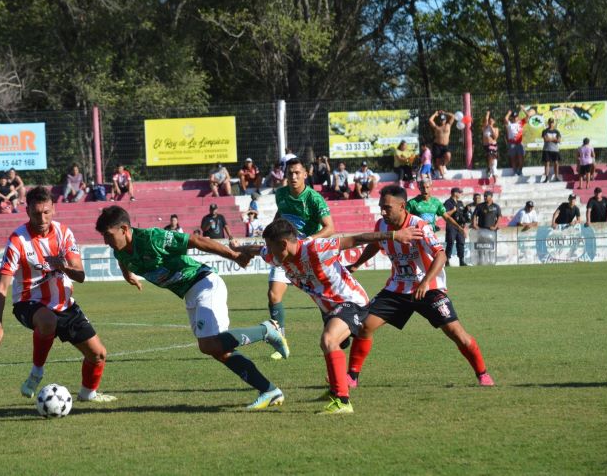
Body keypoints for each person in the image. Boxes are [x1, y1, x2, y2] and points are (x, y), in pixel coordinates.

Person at [96, 205, 289, 410]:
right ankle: (269, 390)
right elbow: (125, 263)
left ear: (124, 229)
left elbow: (197, 241)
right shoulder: (120, 252)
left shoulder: (152, 238)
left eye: (108, 235)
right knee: (218, 350)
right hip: (190, 293)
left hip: (204, 283)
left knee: (209, 344)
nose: (105, 241)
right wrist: (130, 278)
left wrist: (235, 256)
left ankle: (267, 329)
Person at [237, 218, 423, 413]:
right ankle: (336, 390)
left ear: (283, 244)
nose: (269, 251)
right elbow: (257, 250)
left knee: (328, 340)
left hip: (350, 301)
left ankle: (343, 402)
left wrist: (394, 235)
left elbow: (356, 239)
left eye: (271, 246)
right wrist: (241, 252)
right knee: (333, 344)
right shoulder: (276, 255)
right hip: (328, 309)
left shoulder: (315, 248)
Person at [346, 184, 495, 388]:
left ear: (402, 206)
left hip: (429, 288)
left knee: (456, 333)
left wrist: (425, 282)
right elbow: (375, 244)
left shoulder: (419, 225)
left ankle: (483, 374)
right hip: (397, 288)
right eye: (381, 206)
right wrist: (356, 264)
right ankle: (351, 377)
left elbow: (441, 255)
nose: (382, 211)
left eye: (387, 207)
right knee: (364, 326)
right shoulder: (381, 225)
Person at [0, 186, 117, 403]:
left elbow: (81, 275)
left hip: (64, 304)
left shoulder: (64, 233)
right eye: (36, 213)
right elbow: (1, 287)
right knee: (47, 320)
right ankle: (37, 372)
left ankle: (88, 394)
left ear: (53, 209)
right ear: (27, 211)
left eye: (46, 212)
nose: (42, 218)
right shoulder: (18, 240)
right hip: (28, 302)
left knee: (98, 355)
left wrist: (63, 267)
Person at [268, 157, 334, 359]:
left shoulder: (314, 198)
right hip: (284, 252)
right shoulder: (280, 194)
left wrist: (308, 241)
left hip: (307, 255)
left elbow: (330, 228)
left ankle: (336, 333)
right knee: (273, 295)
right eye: (290, 173)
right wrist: (273, 232)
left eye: (297, 173)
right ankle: (281, 342)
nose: (294, 176)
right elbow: (281, 213)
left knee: (322, 300)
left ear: (306, 174)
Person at [443, 187, 470, 266]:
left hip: (460, 226)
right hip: (451, 225)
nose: (460, 194)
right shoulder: (448, 202)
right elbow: (445, 214)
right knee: (450, 242)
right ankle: (447, 260)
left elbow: (462, 215)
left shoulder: (460, 203)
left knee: (461, 243)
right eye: (459, 192)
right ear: (454, 193)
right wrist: (453, 210)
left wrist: (466, 210)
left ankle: (461, 261)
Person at [428, 110, 454, 178]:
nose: (442, 121)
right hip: (437, 145)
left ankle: (444, 164)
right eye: (441, 120)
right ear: (439, 120)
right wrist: (435, 114)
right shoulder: (436, 127)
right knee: (438, 161)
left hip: (445, 146)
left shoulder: (448, 125)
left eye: (443, 120)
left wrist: (445, 112)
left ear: (445, 120)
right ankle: (442, 176)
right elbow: (430, 120)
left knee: (448, 156)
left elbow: (453, 116)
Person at [504, 109, 526, 176]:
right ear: (511, 118)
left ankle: (520, 171)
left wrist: (524, 109)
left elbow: (528, 116)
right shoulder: (509, 124)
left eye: (516, 117)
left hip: (519, 143)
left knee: (521, 158)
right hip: (512, 144)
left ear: (518, 117)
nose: (515, 118)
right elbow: (505, 118)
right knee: (513, 158)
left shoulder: (521, 123)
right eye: (513, 117)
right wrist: (509, 113)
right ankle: (515, 172)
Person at [541, 118, 562, 183]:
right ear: (548, 123)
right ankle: (546, 177)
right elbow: (545, 140)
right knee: (547, 163)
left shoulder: (557, 131)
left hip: (555, 150)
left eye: (552, 122)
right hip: (547, 149)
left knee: (556, 163)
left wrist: (550, 138)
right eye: (550, 122)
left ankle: (556, 176)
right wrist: (554, 139)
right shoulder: (545, 131)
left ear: (554, 123)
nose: (551, 124)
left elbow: (559, 140)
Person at [482, 111, 500, 181]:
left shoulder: (496, 129)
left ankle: (491, 171)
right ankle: (492, 171)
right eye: (489, 121)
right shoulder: (485, 128)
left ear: (494, 122)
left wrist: (491, 128)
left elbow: (495, 137)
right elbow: (485, 120)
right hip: (487, 145)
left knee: (494, 161)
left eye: (491, 121)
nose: (490, 122)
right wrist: (487, 114)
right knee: (490, 158)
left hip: (494, 145)